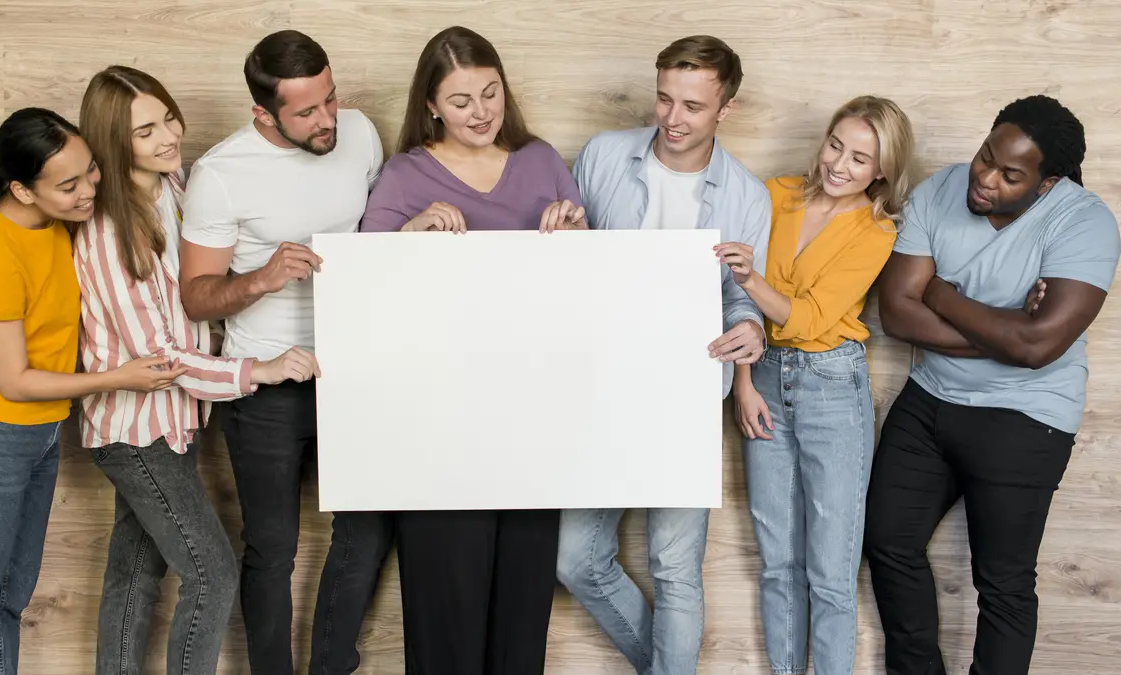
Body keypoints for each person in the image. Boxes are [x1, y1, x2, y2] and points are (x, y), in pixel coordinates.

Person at [75, 65, 322, 675]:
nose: (167, 136)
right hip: (136, 432)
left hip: (173, 425)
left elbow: (200, 293)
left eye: (167, 117)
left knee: (135, 574)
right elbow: (158, 358)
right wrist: (255, 371)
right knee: (212, 572)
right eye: (144, 131)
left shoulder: (176, 188)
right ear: (113, 142)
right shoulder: (108, 231)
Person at [0, 108, 186, 675]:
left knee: (6, 600)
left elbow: (1, 338)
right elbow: (14, 379)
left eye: (90, 171)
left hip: (32, 434)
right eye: (68, 185)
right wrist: (120, 376)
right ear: (20, 187)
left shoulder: (55, 226)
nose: (90, 189)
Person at [863, 94, 1120, 675]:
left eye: (1010, 175)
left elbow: (1036, 349)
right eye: (985, 157)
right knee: (887, 542)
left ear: (1048, 182)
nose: (984, 179)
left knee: (1002, 583)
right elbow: (899, 315)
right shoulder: (939, 190)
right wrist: (1005, 331)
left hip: (1025, 418)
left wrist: (943, 293)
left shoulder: (1086, 224)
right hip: (929, 401)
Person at [359, 25, 585, 675]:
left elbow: (590, 294)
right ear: (429, 105)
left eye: (490, 93)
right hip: (437, 429)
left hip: (531, 425)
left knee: (521, 615)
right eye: (461, 101)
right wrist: (409, 232)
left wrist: (577, 235)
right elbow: (359, 295)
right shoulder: (405, 176)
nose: (481, 111)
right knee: (445, 611)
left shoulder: (542, 161)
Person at [556, 35, 771, 675]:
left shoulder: (747, 195)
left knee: (675, 572)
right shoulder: (601, 155)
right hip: (602, 390)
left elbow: (740, 302)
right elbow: (571, 265)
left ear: (724, 109)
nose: (673, 120)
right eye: (664, 98)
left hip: (684, 395)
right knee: (573, 557)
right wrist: (565, 234)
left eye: (694, 107)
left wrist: (751, 333)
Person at [176, 30, 387, 675]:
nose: (328, 120)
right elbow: (195, 298)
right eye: (307, 112)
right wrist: (262, 279)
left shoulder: (361, 133)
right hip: (265, 385)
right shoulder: (220, 174)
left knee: (370, 529)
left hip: (353, 373)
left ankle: (332, 666)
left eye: (330, 98)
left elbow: (382, 232)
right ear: (263, 114)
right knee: (272, 548)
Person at [720, 96, 915, 675]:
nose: (839, 165)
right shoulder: (771, 194)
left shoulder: (877, 231)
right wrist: (743, 383)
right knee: (778, 563)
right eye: (836, 145)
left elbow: (805, 317)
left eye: (860, 158)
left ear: (881, 170)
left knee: (831, 575)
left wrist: (751, 276)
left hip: (833, 387)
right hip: (765, 381)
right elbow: (738, 309)